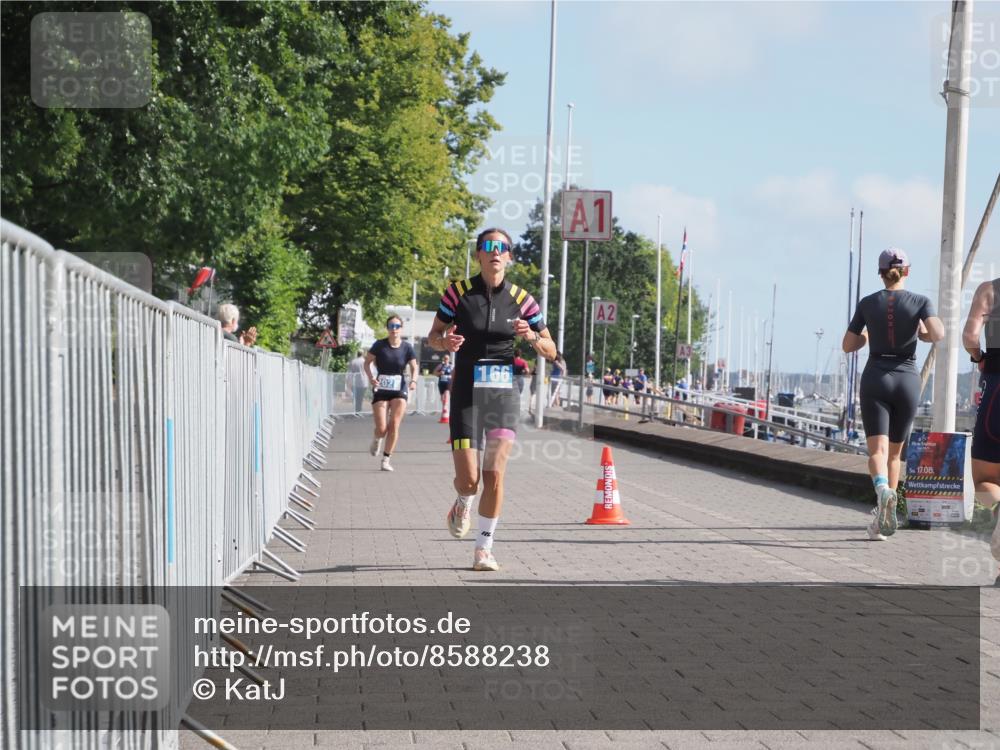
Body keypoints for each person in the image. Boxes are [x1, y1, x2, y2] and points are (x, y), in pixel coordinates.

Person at [427, 227, 556, 571]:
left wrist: (530, 336)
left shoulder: (523, 299)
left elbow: (551, 348)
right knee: (470, 479)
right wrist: (445, 343)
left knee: (495, 474)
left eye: (503, 248)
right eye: (489, 246)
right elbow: (433, 336)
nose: (495, 252)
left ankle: (483, 549)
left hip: (502, 395)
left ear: (509, 257)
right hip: (467, 393)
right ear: (479, 255)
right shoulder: (457, 294)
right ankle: (462, 501)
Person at [842, 247, 944, 541]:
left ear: (881, 272)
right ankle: (886, 517)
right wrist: (921, 333)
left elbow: (848, 345)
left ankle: (881, 492)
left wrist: (868, 334)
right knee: (896, 456)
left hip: (876, 377)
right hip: (907, 379)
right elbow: (937, 334)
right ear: (907, 271)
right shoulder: (921, 301)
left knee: (877, 451)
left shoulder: (867, 303)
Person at [963, 277, 1000, 583]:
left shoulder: (990, 289)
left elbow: (970, 337)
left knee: (985, 479)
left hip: (997, 392)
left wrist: (978, 357)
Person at [364, 315, 418, 472]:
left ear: (401, 328)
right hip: (381, 388)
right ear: (387, 328)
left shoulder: (407, 347)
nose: (394, 329)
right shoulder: (379, 345)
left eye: (397, 326)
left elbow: (415, 367)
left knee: (394, 425)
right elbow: (367, 363)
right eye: (391, 326)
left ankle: (386, 459)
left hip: (399, 388)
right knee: (382, 428)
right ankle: (377, 439)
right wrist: (372, 378)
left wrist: (413, 381)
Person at [346, 349, 367, 414]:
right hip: (363, 381)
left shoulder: (353, 361)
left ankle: (357, 410)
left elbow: (350, 372)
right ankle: (359, 410)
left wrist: (349, 381)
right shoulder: (364, 361)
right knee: (361, 397)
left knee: (356, 397)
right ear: (362, 354)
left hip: (355, 382)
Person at [434, 354, 453, 422]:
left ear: (449, 359)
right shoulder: (440, 365)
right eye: (445, 358)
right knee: (442, 398)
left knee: (447, 395)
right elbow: (435, 373)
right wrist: (439, 373)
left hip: (448, 383)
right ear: (443, 359)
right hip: (441, 383)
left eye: (447, 358)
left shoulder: (451, 366)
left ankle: (446, 409)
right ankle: (444, 410)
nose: (446, 359)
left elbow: (454, 374)